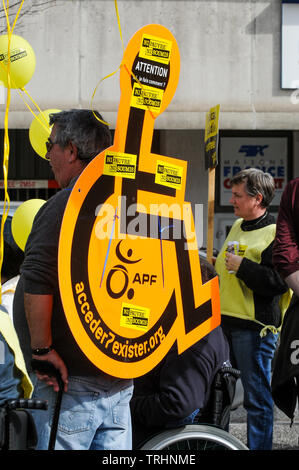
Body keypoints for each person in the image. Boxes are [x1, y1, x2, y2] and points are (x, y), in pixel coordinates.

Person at [13, 109, 133, 450]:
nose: (47, 155)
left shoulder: (66, 205)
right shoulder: (129, 204)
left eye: (51, 146)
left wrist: (42, 350)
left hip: (71, 384)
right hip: (121, 375)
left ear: (70, 150)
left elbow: (37, 279)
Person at [214, 168, 288, 451]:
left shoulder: (275, 233)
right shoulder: (237, 225)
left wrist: (243, 267)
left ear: (257, 199)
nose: (231, 200)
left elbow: (279, 282)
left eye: (237, 195)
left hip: (255, 330)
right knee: (219, 392)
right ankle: (218, 445)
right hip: (226, 325)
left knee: (256, 399)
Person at [130, 257, 231, 449]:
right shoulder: (209, 328)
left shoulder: (192, 343)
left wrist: (128, 403)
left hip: (163, 437)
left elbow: (178, 403)